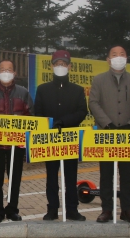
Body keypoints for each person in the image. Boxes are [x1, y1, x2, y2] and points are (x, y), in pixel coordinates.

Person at [88, 46, 130, 225]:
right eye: (114, 55)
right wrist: (107, 124)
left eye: (122, 54)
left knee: (127, 175)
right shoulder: (99, 80)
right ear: (108, 59)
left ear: (127, 58)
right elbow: (94, 103)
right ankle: (106, 210)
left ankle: (127, 210)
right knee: (106, 174)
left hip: (128, 136)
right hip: (106, 135)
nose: (118, 58)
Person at [32, 50, 89, 221]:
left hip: (70, 139)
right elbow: (38, 113)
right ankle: (52, 209)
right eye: (57, 64)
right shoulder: (43, 90)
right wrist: (49, 125)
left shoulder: (78, 90)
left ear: (69, 66)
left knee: (70, 177)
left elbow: (82, 112)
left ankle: (72, 209)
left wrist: (63, 122)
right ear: (51, 66)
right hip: (50, 140)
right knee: (51, 177)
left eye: (63, 64)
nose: (60, 67)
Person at [0, 60, 33, 223]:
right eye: (2, 69)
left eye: (9, 69)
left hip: (16, 145)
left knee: (14, 179)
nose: (6, 72)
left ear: (14, 73)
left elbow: (31, 117)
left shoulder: (23, 93)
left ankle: (12, 209)